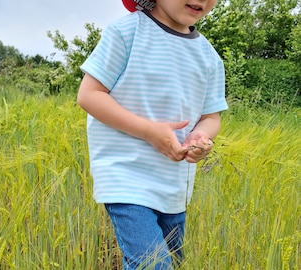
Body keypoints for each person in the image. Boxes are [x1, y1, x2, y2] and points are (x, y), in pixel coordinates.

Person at [77, 0, 228, 268]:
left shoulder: (209, 57)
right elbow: (90, 95)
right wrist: (149, 131)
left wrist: (201, 136)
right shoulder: (127, 32)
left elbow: (210, 116)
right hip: (125, 176)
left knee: (176, 261)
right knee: (153, 264)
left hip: (174, 185)